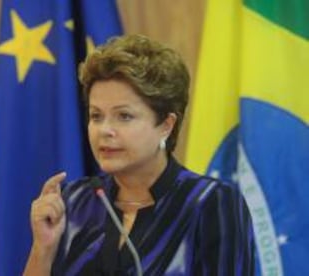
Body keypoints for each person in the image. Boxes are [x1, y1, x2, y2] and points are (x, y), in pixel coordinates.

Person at [23, 34, 254, 275]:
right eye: (96, 116)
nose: (105, 131)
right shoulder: (74, 201)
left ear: (166, 124)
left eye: (124, 116)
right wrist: (43, 248)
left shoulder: (211, 203)